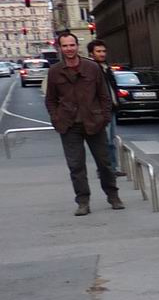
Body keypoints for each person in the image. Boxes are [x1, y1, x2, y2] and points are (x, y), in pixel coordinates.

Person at [43, 31, 122, 216]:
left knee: (104, 163)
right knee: (76, 166)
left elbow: (104, 95)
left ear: (77, 46)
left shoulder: (92, 68)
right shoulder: (55, 71)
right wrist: (56, 118)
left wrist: (104, 117)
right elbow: (51, 100)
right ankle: (83, 201)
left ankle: (113, 196)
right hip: (69, 125)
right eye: (65, 46)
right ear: (60, 48)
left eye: (72, 45)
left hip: (94, 122)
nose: (69, 49)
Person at [86, 39, 124, 175]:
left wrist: (117, 102)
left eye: (104, 51)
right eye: (98, 51)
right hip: (100, 111)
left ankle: (112, 168)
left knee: (111, 141)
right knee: (104, 142)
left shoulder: (106, 68)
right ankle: (104, 169)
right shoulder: (91, 69)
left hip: (111, 108)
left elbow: (111, 88)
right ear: (91, 53)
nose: (102, 54)